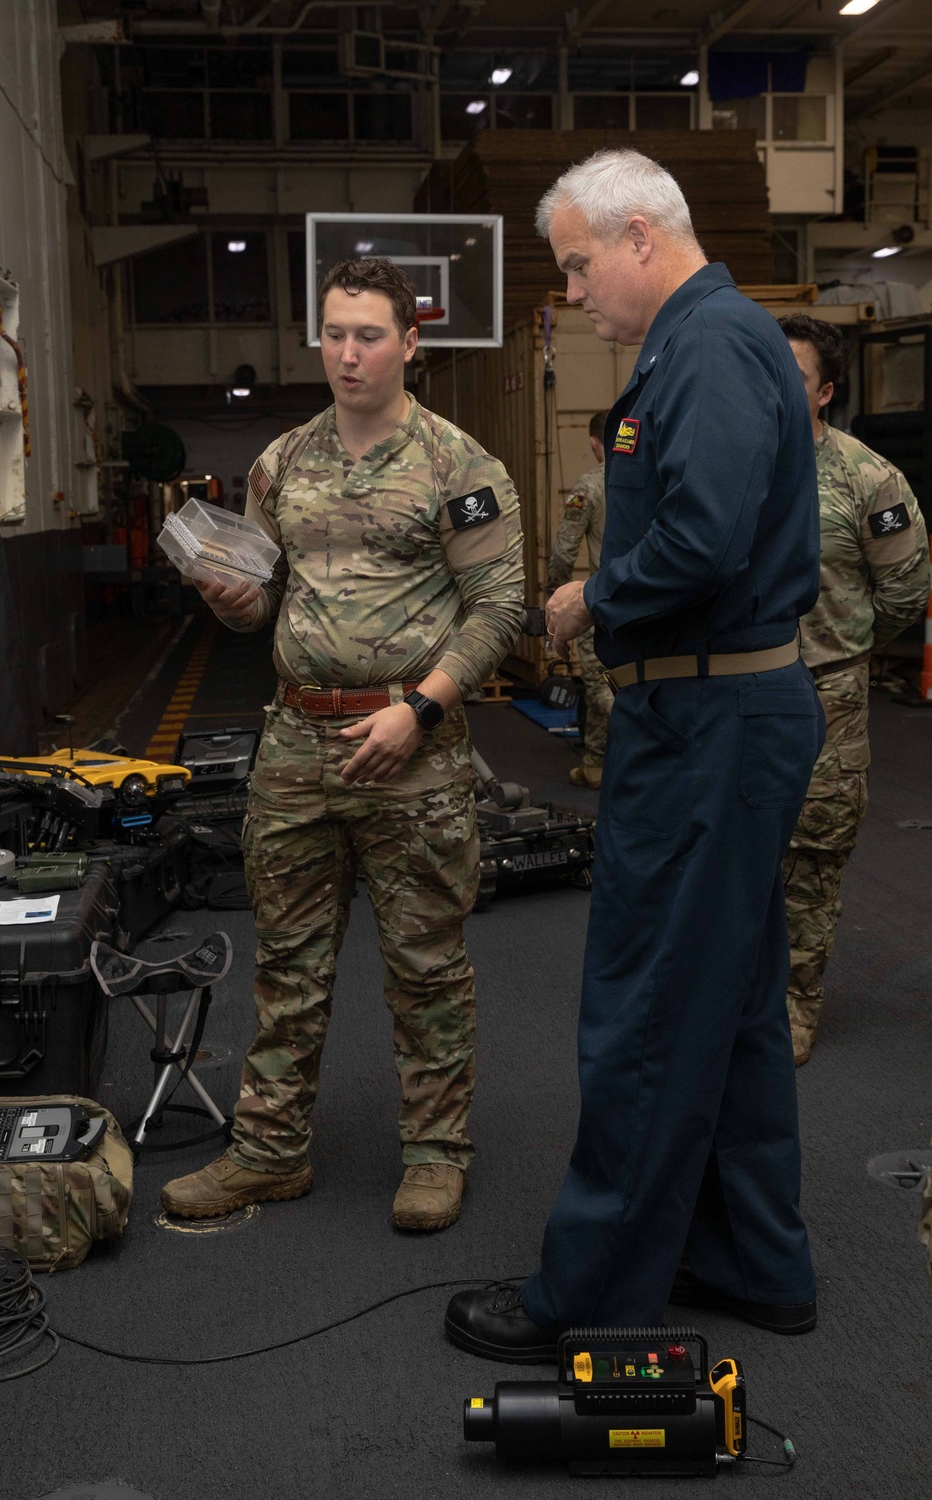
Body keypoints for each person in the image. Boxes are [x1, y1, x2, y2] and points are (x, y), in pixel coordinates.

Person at [445, 147, 827, 1360]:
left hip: (706, 726)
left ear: (639, 239)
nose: (571, 294)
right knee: (732, 1006)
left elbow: (704, 542)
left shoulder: (706, 345)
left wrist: (591, 597)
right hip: (721, 718)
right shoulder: (711, 340)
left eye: (574, 265)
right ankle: (750, 1256)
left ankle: (594, 1290)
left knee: (651, 1007)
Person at [161, 257, 524, 1232]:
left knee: (425, 963)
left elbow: (498, 608)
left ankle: (437, 1153)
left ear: (409, 344)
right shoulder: (281, 463)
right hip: (296, 745)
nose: (348, 352)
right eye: (333, 332)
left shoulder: (459, 465)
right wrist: (234, 600)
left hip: (413, 747)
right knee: (284, 959)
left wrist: (421, 708)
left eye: (368, 334)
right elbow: (262, 606)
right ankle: (271, 1150)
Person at [778, 316, 929, 1067]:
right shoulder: (726, 463)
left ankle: (797, 1002)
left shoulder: (867, 478)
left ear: (827, 392)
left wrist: (846, 640)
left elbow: (905, 588)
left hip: (824, 699)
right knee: (728, 857)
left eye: (795, 376)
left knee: (811, 861)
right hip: (734, 697)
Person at [547, 411, 614, 788]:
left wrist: (557, 593)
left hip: (601, 602)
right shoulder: (652, 477)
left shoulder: (589, 487)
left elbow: (563, 551)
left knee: (599, 684)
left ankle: (597, 764)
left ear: (593, 443)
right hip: (651, 597)